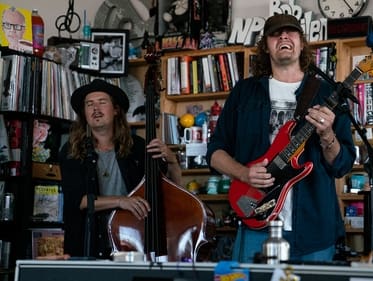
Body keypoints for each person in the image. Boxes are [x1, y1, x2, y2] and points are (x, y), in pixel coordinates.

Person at [206, 14, 356, 263]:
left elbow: (342, 164)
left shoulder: (328, 93)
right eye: (276, 33)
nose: (284, 36)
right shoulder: (244, 92)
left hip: (313, 227)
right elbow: (215, 152)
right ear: (265, 45)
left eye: (291, 32)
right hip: (256, 219)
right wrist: (243, 173)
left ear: (301, 42)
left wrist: (327, 134)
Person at [59, 79, 182, 259]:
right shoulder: (71, 150)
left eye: (102, 102)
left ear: (116, 110)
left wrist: (172, 162)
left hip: (134, 239)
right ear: (84, 113)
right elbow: (79, 201)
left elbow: (172, 192)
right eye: (89, 104)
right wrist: (121, 201)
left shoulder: (139, 147)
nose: (95, 109)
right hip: (89, 243)